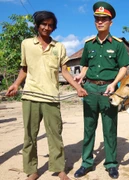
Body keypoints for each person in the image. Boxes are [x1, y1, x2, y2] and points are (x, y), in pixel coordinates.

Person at [5, 11, 88, 180]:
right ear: (37, 25)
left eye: (50, 25)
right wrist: (15, 84)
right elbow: (24, 68)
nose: (47, 27)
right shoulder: (26, 44)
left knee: (55, 135)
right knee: (30, 136)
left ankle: (59, 169)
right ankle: (32, 170)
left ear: (53, 27)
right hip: (31, 97)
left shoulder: (59, 47)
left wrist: (77, 87)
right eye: (43, 24)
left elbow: (64, 71)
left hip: (51, 97)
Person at [73, 1, 129, 179]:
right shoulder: (89, 44)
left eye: (104, 19)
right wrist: (81, 77)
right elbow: (84, 65)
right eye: (97, 19)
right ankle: (87, 163)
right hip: (90, 89)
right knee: (88, 128)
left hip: (109, 90)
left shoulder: (118, 44)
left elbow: (124, 68)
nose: (100, 22)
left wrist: (114, 84)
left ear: (110, 22)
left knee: (109, 128)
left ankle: (111, 163)